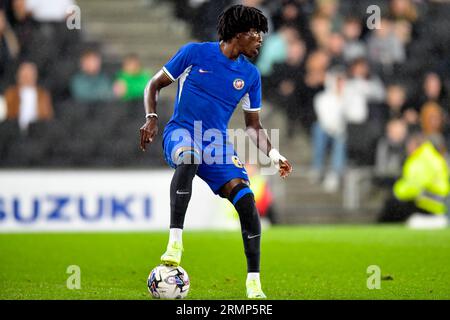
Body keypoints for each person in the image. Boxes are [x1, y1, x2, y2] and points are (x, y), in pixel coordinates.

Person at [139, 5, 292, 299]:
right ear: (238, 34)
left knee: (247, 201)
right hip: (182, 130)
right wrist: (152, 118)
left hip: (217, 143)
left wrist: (275, 156)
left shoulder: (250, 75)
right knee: (190, 156)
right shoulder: (195, 53)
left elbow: (253, 126)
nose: (261, 39)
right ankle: (175, 244)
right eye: (256, 33)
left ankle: (254, 284)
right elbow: (153, 85)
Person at [378, 133, 449, 228]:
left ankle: (381, 229)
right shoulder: (433, 157)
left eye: (409, 146)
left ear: (414, 145)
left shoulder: (421, 159)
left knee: (392, 205)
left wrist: (397, 192)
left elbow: (415, 185)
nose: (407, 149)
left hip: (427, 204)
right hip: (437, 204)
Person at [4, 61, 53, 132]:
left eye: (29, 75)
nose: (26, 78)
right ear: (18, 76)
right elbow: (7, 114)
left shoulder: (42, 94)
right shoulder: (11, 93)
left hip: (38, 131)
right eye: (24, 75)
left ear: (35, 76)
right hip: (14, 131)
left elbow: (47, 116)